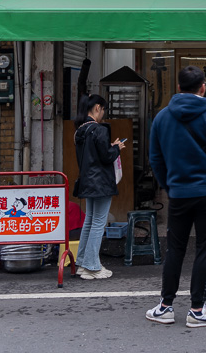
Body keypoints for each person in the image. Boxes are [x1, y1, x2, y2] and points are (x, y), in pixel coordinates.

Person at [146, 65, 206, 328]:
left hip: (179, 194)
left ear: (178, 87)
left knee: (175, 249)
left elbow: (155, 159)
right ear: (203, 88)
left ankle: (165, 306)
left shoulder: (162, 117)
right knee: (205, 249)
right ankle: (197, 309)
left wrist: (169, 186)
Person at [73, 93, 125, 280]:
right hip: (101, 182)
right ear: (97, 108)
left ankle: (81, 263)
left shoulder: (80, 130)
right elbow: (106, 156)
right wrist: (116, 148)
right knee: (98, 223)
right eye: (103, 109)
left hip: (87, 181)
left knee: (90, 221)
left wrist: (109, 148)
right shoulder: (99, 129)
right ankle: (92, 266)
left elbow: (93, 154)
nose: (103, 113)